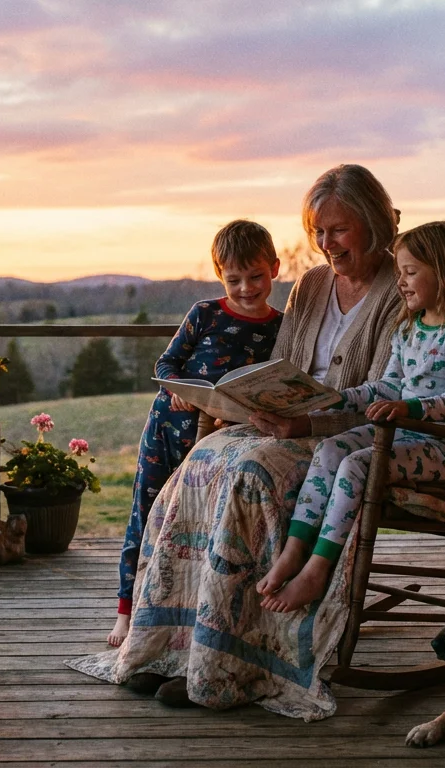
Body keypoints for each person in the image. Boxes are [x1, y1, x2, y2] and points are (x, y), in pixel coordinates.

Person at [68, 164, 407, 720]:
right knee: (204, 457)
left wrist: (307, 421)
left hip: (340, 434)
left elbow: (381, 389)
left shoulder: (399, 290)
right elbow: (285, 362)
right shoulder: (313, 284)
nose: (325, 245)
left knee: (252, 471)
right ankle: (175, 646)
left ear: (371, 221)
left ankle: (232, 661)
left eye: (338, 230)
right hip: (284, 420)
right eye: (317, 232)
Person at [257, 221, 445, 612]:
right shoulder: (408, 328)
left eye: (410, 272)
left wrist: (408, 408)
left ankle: (317, 570)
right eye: (399, 272)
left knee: (353, 466)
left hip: (439, 449)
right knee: (331, 451)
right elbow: (386, 387)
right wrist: (336, 398)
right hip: (399, 438)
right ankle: (294, 552)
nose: (400, 282)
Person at [108, 220, 284, 647]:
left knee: (197, 525)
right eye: (234, 278)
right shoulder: (204, 313)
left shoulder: (281, 326)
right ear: (219, 274)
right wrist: (178, 389)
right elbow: (166, 365)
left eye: (256, 276)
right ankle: (126, 611)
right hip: (169, 426)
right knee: (147, 511)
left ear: (275, 269)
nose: (246, 287)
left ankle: (189, 613)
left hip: (220, 440)